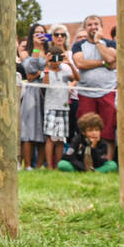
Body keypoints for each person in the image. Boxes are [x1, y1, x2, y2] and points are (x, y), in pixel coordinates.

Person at [71, 14, 119, 161]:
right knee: (86, 129)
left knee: (108, 131)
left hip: (107, 91)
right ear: (85, 28)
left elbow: (111, 58)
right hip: (86, 93)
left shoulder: (110, 44)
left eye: (96, 24)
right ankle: (87, 160)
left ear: (101, 27)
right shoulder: (78, 45)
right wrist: (103, 63)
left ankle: (108, 162)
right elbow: (81, 64)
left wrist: (98, 42)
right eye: (90, 24)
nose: (93, 27)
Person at [41, 27, 76, 169]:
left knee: (61, 138)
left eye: (59, 58)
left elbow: (77, 77)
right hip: (51, 106)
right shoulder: (47, 71)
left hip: (63, 106)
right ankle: (49, 166)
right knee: (51, 138)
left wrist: (69, 63)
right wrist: (47, 64)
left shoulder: (64, 72)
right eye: (56, 35)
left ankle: (58, 165)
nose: (57, 60)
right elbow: (45, 84)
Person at [18, 22, 47, 169]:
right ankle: (28, 164)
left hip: (47, 92)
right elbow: (30, 69)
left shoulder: (49, 50)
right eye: (37, 33)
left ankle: (40, 165)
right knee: (29, 129)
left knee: (43, 129)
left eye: (42, 32)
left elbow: (51, 68)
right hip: (32, 93)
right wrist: (36, 49)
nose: (40, 35)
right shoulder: (25, 52)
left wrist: (39, 73)